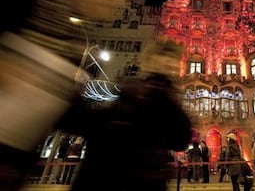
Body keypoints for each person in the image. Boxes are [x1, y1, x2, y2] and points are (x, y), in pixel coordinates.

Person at [0, 0, 130, 191]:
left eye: (114, 2)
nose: (109, 4)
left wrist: (119, 118)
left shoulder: (73, 38)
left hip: (11, 158)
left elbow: (64, 103)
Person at [56, 39, 193, 191]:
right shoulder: (137, 94)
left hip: (135, 178)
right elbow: (91, 124)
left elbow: (180, 138)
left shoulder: (159, 98)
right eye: (165, 56)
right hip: (118, 176)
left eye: (173, 59)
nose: (169, 62)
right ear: (151, 60)